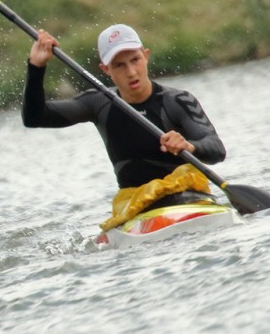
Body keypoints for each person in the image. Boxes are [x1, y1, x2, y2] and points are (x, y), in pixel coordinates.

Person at [22, 24, 226, 231]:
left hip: (189, 199)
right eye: (119, 65)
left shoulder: (178, 101)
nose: (131, 72)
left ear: (146, 56)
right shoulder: (98, 103)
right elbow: (34, 117)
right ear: (105, 70)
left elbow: (217, 150)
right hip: (137, 209)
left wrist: (189, 146)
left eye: (135, 60)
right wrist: (36, 68)